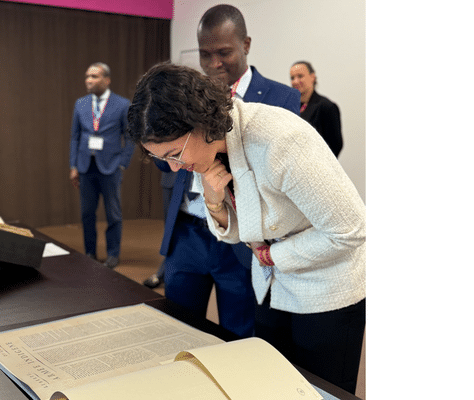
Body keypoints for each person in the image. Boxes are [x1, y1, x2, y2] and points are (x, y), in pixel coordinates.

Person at [127, 63, 366, 395]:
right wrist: (213, 200)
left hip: (326, 290)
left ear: (200, 123)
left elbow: (350, 230)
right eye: (160, 158)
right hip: (270, 285)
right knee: (273, 383)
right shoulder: (206, 149)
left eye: (173, 155)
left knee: (319, 389)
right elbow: (240, 230)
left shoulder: (281, 140)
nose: (173, 167)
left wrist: (270, 255)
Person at [140, 4, 300, 337]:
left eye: (224, 52)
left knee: (239, 331)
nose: (214, 63)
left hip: (241, 237)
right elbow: (164, 160)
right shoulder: (187, 94)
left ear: (246, 45)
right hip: (187, 230)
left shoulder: (280, 98)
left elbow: (273, 168)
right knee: (178, 327)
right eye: (205, 53)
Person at [69, 62, 135, 269]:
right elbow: (75, 137)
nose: (89, 80)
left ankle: (113, 254)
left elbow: (130, 136)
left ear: (107, 80)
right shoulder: (80, 104)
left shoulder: (122, 104)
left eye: (94, 76)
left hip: (111, 167)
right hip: (86, 167)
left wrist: (123, 163)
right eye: (87, 76)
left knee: (113, 214)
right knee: (87, 213)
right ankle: (90, 252)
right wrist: (73, 166)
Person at [290, 61, 343, 157]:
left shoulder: (327, 107)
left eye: (300, 76)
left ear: (312, 77)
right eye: (292, 78)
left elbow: (335, 145)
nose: (295, 81)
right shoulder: (290, 107)